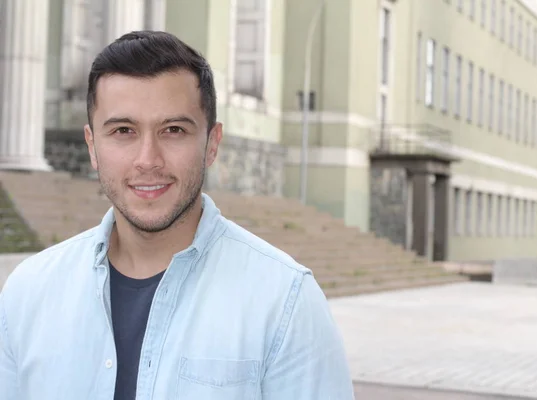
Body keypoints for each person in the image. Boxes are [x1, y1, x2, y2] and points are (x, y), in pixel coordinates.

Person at [0, 31, 354, 399]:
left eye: (173, 130)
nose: (148, 160)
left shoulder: (284, 301)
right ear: (92, 147)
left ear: (212, 144)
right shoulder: (30, 292)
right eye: (123, 131)